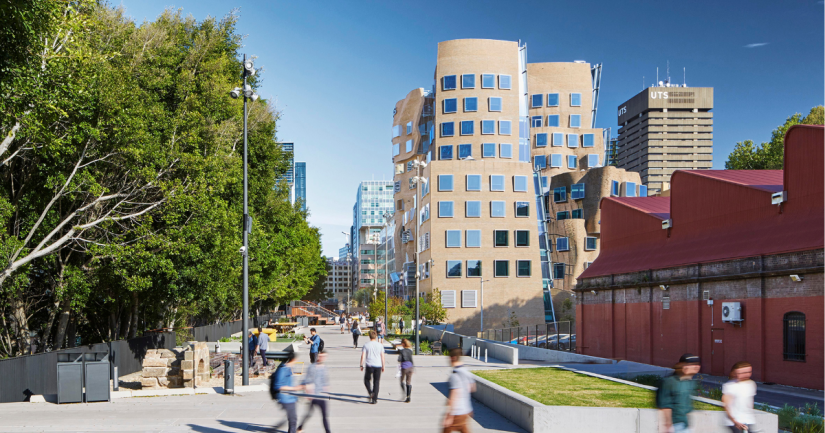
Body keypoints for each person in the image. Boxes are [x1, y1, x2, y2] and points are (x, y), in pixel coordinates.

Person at [658, 353, 701, 433]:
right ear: (683, 366)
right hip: (675, 426)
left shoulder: (689, 383)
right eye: (692, 364)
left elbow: (687, 406)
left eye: (697, 364)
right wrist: (668, 425)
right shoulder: (669, 382)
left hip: (685, 425)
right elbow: (665, 406)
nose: (696, 366)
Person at [443, 347, 476, 432]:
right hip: (466, 410)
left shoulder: (454, 375)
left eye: (449, 358)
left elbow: (454, 395)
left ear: (453, 358)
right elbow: (472, 388)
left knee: (446, 430)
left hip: (457, 412)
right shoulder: (466, 371)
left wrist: (449, 416)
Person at [298, 350, 331, 433]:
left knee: (324, 416)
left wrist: (327, 390)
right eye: (321, 356)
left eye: (324, 356)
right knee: (308, 414)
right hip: (313, 396)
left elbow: (325, 381)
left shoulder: (324, 368)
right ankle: (300, 427)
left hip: (321, 396)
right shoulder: (312, 367)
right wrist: (307, 392)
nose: (322, 358)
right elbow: (306, 380)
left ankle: (328, 431)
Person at [273, 352, 304, 433]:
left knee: (293, 419)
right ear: (293, 359)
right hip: (285, 398)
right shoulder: (283, 369)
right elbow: (278, 385)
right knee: (293, 420)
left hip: (291, 398)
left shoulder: (289, 368)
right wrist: (294, 388)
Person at [723, 361, 757, 433]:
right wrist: (734, 421)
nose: (746, 375)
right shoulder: (730, 386)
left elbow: (750, 403)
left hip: (749, 420)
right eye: (742, 373)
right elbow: (726, 405)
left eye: (748, 372)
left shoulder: (751, 384)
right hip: (735, 422)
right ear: (735, 373)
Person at [360, 330, 385, 404]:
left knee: (366, 380)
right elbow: (382, 357)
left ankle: (370, 392)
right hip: (378, 365)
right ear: (376, 336)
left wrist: (361, 364)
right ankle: (375, 399)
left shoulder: (366, 345)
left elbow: (363, 356)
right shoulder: (380, 345)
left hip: (369, 365)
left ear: (369, 336)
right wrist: (383, 365)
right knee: (376, 382)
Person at [397, 338, 415, 403]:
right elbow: (411, 359)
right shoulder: (410, 351)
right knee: (408, 382)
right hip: (410, 367)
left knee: (402, 381)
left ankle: (404, 393)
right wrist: (413, 368)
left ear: (403, 344)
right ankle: (408, 397)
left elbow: (399, 359)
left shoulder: (402, 351)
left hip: (404, 367)